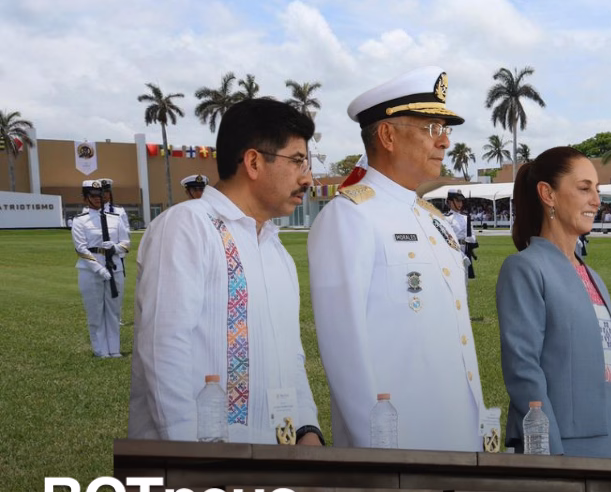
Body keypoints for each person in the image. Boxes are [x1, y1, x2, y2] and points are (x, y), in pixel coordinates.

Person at [129, 98, 323, 445]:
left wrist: (307, 428)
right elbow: (164, 352)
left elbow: (291, 354)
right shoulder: (188, 227)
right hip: (202, 474)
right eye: (297, 161)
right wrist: (197, 464)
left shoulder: (276, 251)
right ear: (253, 162)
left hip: (276, 462)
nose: (307, 178)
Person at [309, 66, 484, 451]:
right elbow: (345, 351)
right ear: (387, 135)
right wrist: (380, 450)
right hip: (401, 445)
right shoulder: (350, 216)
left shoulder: (432, 219)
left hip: (456, 433)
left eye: (444, 131)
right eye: (431, 129)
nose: (444, 143)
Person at [496, 146, 611, 458]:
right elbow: (524, 370)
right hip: (563, 444)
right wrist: (549, 451)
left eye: (597, 190)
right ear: (548, 194)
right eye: (584, 188)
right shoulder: (525, 268)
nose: (596, 201)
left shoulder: (593, 277)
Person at [73, 179, 130, 358]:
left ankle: (114, 349)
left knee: (113, 311)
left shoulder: (115, 218)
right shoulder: (80, 221)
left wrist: (115, 248)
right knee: (96, 311)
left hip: (114, 268)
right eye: (93, 196)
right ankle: (100, 350)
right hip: (90, 271)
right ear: (85, 198)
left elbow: (126, 243)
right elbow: (80, 249)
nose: (98, 199)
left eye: (100, 195)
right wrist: (99, 269)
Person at [445, 189, 477, 282]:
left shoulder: (466, 217)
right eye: (457, 201)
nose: (460, 203)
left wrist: (472, 239)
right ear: (450, 202)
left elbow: (473, 234)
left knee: (465, 280)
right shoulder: (447, 218)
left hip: (466, 249)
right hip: (453, 251)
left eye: (461, 201)